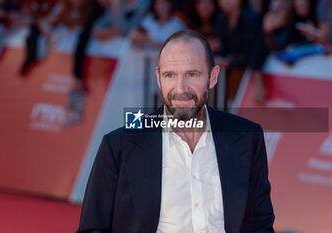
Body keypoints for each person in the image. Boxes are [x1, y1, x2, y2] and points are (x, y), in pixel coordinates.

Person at [76, 30, 275, 233]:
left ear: (213, 77)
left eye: (192, 74)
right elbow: (93, 228)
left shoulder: (247, 137)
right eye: (170, 75)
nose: (180, 89)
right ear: (159, 78)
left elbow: (260, 223)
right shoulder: (119, 145)